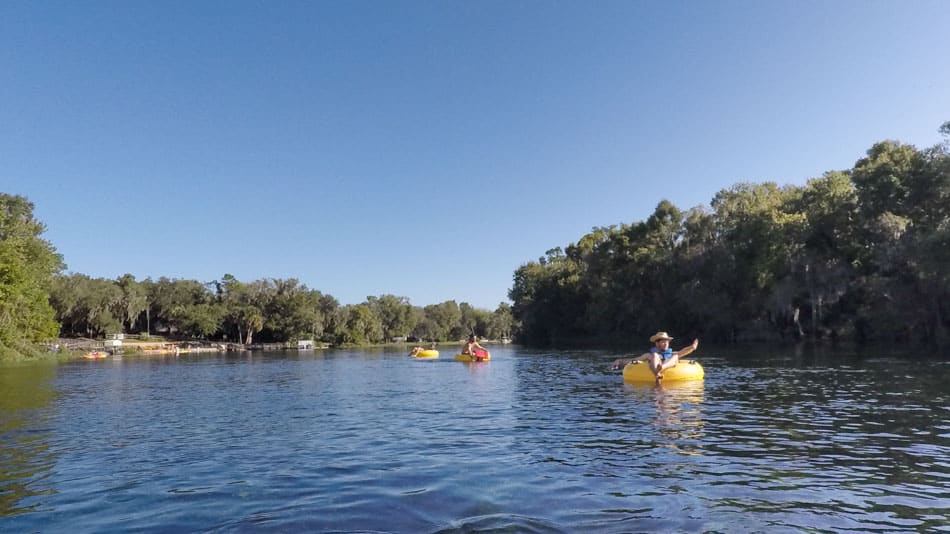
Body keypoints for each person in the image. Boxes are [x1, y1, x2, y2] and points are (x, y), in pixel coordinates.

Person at [610, 331, 699, 382]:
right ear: (657, 343)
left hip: (666, 365)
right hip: (654, 367)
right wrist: (619, 361)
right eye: (663, 342)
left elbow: (683, 351)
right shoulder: (650, 355)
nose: (666, 344)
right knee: (654, 355)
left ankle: (661, 368)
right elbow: (634, 360)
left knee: (676, 356)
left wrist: (692, 347)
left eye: (667, 342)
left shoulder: (671, 354)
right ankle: (657, 373)